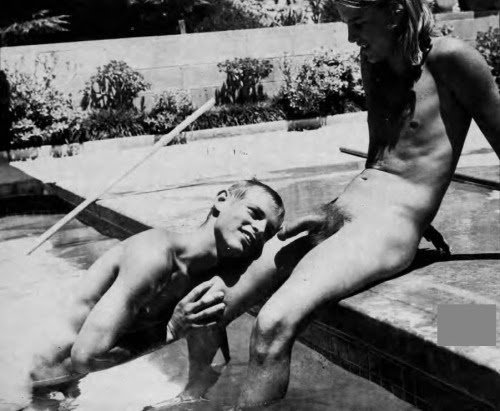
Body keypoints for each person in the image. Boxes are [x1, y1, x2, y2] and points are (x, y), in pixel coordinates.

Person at [164, 0, 500, 409]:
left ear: (395, 11)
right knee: (207, 302)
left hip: (386, 226)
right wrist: (333, 212)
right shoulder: (374, 62)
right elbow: (381, 159)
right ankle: (191, 398)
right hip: (341, 209)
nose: (351, 37)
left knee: (272, 324)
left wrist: (412, 212)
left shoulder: (453, 60)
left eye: (358, 23)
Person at [28, 179, 285, 393]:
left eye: (268, 232)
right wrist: (172, 328)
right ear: (221, 200)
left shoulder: (204, 278)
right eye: (254, 213)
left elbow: (213, 364)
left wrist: (188, 399)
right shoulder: (154, 255)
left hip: (63, 384)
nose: (259, 230)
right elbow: (86, 357)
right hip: (26, 383)